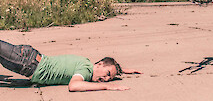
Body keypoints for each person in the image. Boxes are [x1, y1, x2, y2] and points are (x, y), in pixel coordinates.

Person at [0, 40, 142, 92]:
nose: (105, 79)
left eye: (108, 79)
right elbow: (74, 86)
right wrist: (108, 87)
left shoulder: (86, 62)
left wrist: (123, 71)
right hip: (26, 62)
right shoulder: (85, 71)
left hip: (28, 58)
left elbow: (109, 65)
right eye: (107, 74)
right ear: (99, 64)